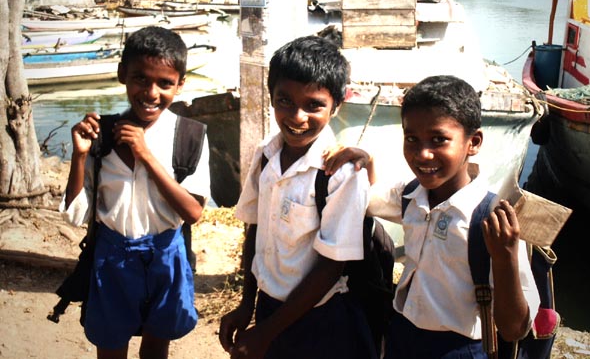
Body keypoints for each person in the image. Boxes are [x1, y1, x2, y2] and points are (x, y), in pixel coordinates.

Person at [324, 75, 541, 359]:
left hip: (459, 348)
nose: (423, 154)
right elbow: (369, 201)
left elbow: (513, 329)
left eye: (439, 140)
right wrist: (368, 160)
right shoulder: (411, 197)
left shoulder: (491, 220)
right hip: (402, 335)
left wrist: (505, 257)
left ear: (473, 142)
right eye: (412, 139)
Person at [218, 35, 376, 359]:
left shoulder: (341, 175)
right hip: (268, 306)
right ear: (271, 97)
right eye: (285, 100)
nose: (297, 116)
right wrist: (247, 304)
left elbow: (331, 267)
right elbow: (255, 231)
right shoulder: (266, 156)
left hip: (318, 320)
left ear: (337, 105)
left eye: (314, 105)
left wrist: (266, 333)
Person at [59, 26, 211, 359]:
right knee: (110, 346)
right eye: (140, 79)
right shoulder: (101, 134)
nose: (151, 92)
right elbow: (76, 212)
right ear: (122, 75)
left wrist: (145, 154)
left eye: (165, 83)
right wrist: (80, 155)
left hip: (166, 256)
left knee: (156, 346)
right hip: (113, 257)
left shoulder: (189, 135)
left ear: (180, 84)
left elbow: (193, 212)